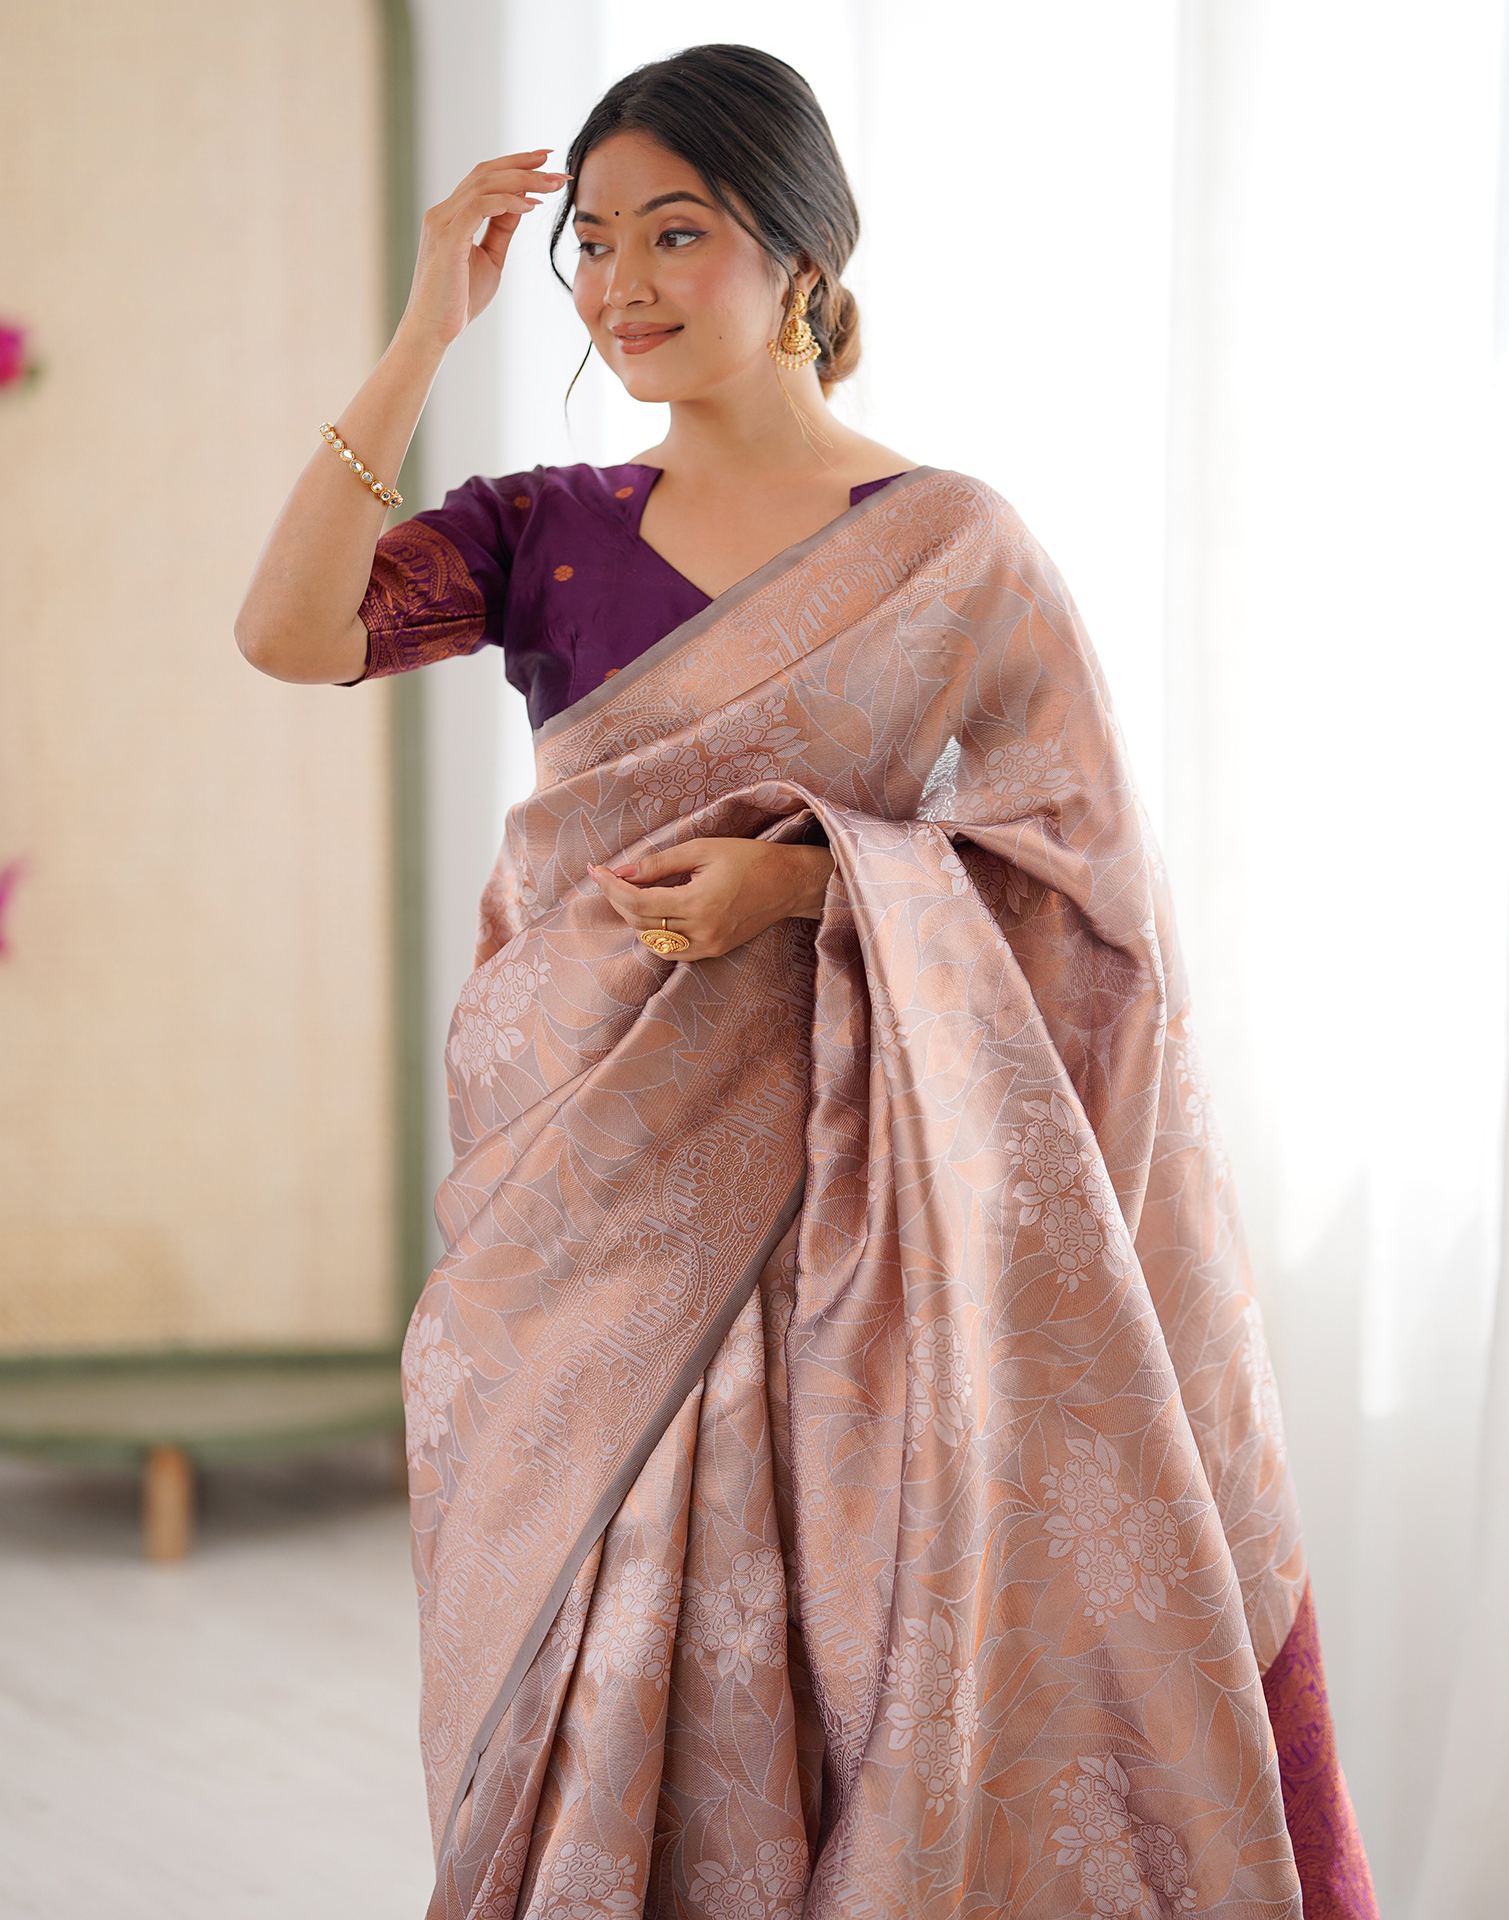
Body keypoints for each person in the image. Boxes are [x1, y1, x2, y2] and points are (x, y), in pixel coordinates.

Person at [235, 41, 1379, 1920]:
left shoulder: (947, 546)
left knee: (861, 1658)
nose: (621, 285)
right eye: (593, 244)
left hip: (863, 1222)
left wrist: (807, 883)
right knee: (599, 1660)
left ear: (799, 256)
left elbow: (1084, 891)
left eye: (675, 233)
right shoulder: (544, 530)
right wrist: (426, 326)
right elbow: (288, 634)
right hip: (596, 1190)